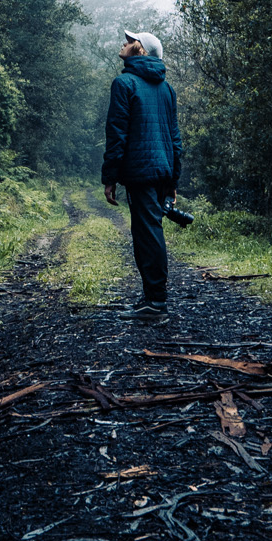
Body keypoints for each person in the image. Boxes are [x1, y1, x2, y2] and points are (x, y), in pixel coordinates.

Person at [100, 29, 182, 322]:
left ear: (141, 51)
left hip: (141, 171)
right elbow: (175, 139)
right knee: (150, 230)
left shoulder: (124, 84)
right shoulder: (167, 89)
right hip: (160, 171)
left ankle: (156, 301)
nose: (124, 43)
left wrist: (109, 177)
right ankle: (151, 297)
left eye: (130, 40)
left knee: (147, 233)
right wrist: (172, 180)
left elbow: (117, 134)